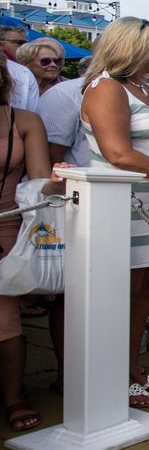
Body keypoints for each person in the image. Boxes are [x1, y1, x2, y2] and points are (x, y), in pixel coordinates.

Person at [80, 16, 149, 409]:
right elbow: (117, 152)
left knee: (144, 292)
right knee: (118, 294)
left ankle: (131, 368)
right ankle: (110, 375)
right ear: (132, 47)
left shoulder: (144, 88)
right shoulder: (106, 86)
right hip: (121, 208)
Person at [0, 62, 68, 430]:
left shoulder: (24, 120)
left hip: (8, 225)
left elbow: (40, 182)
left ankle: (14, 396)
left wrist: (57, 184)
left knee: (5, 318)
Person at [1, 27, 40, 112]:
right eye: (20, 43)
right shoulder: (23, 72)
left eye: (26, 44)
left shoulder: (24, 71)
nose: (24, 47)